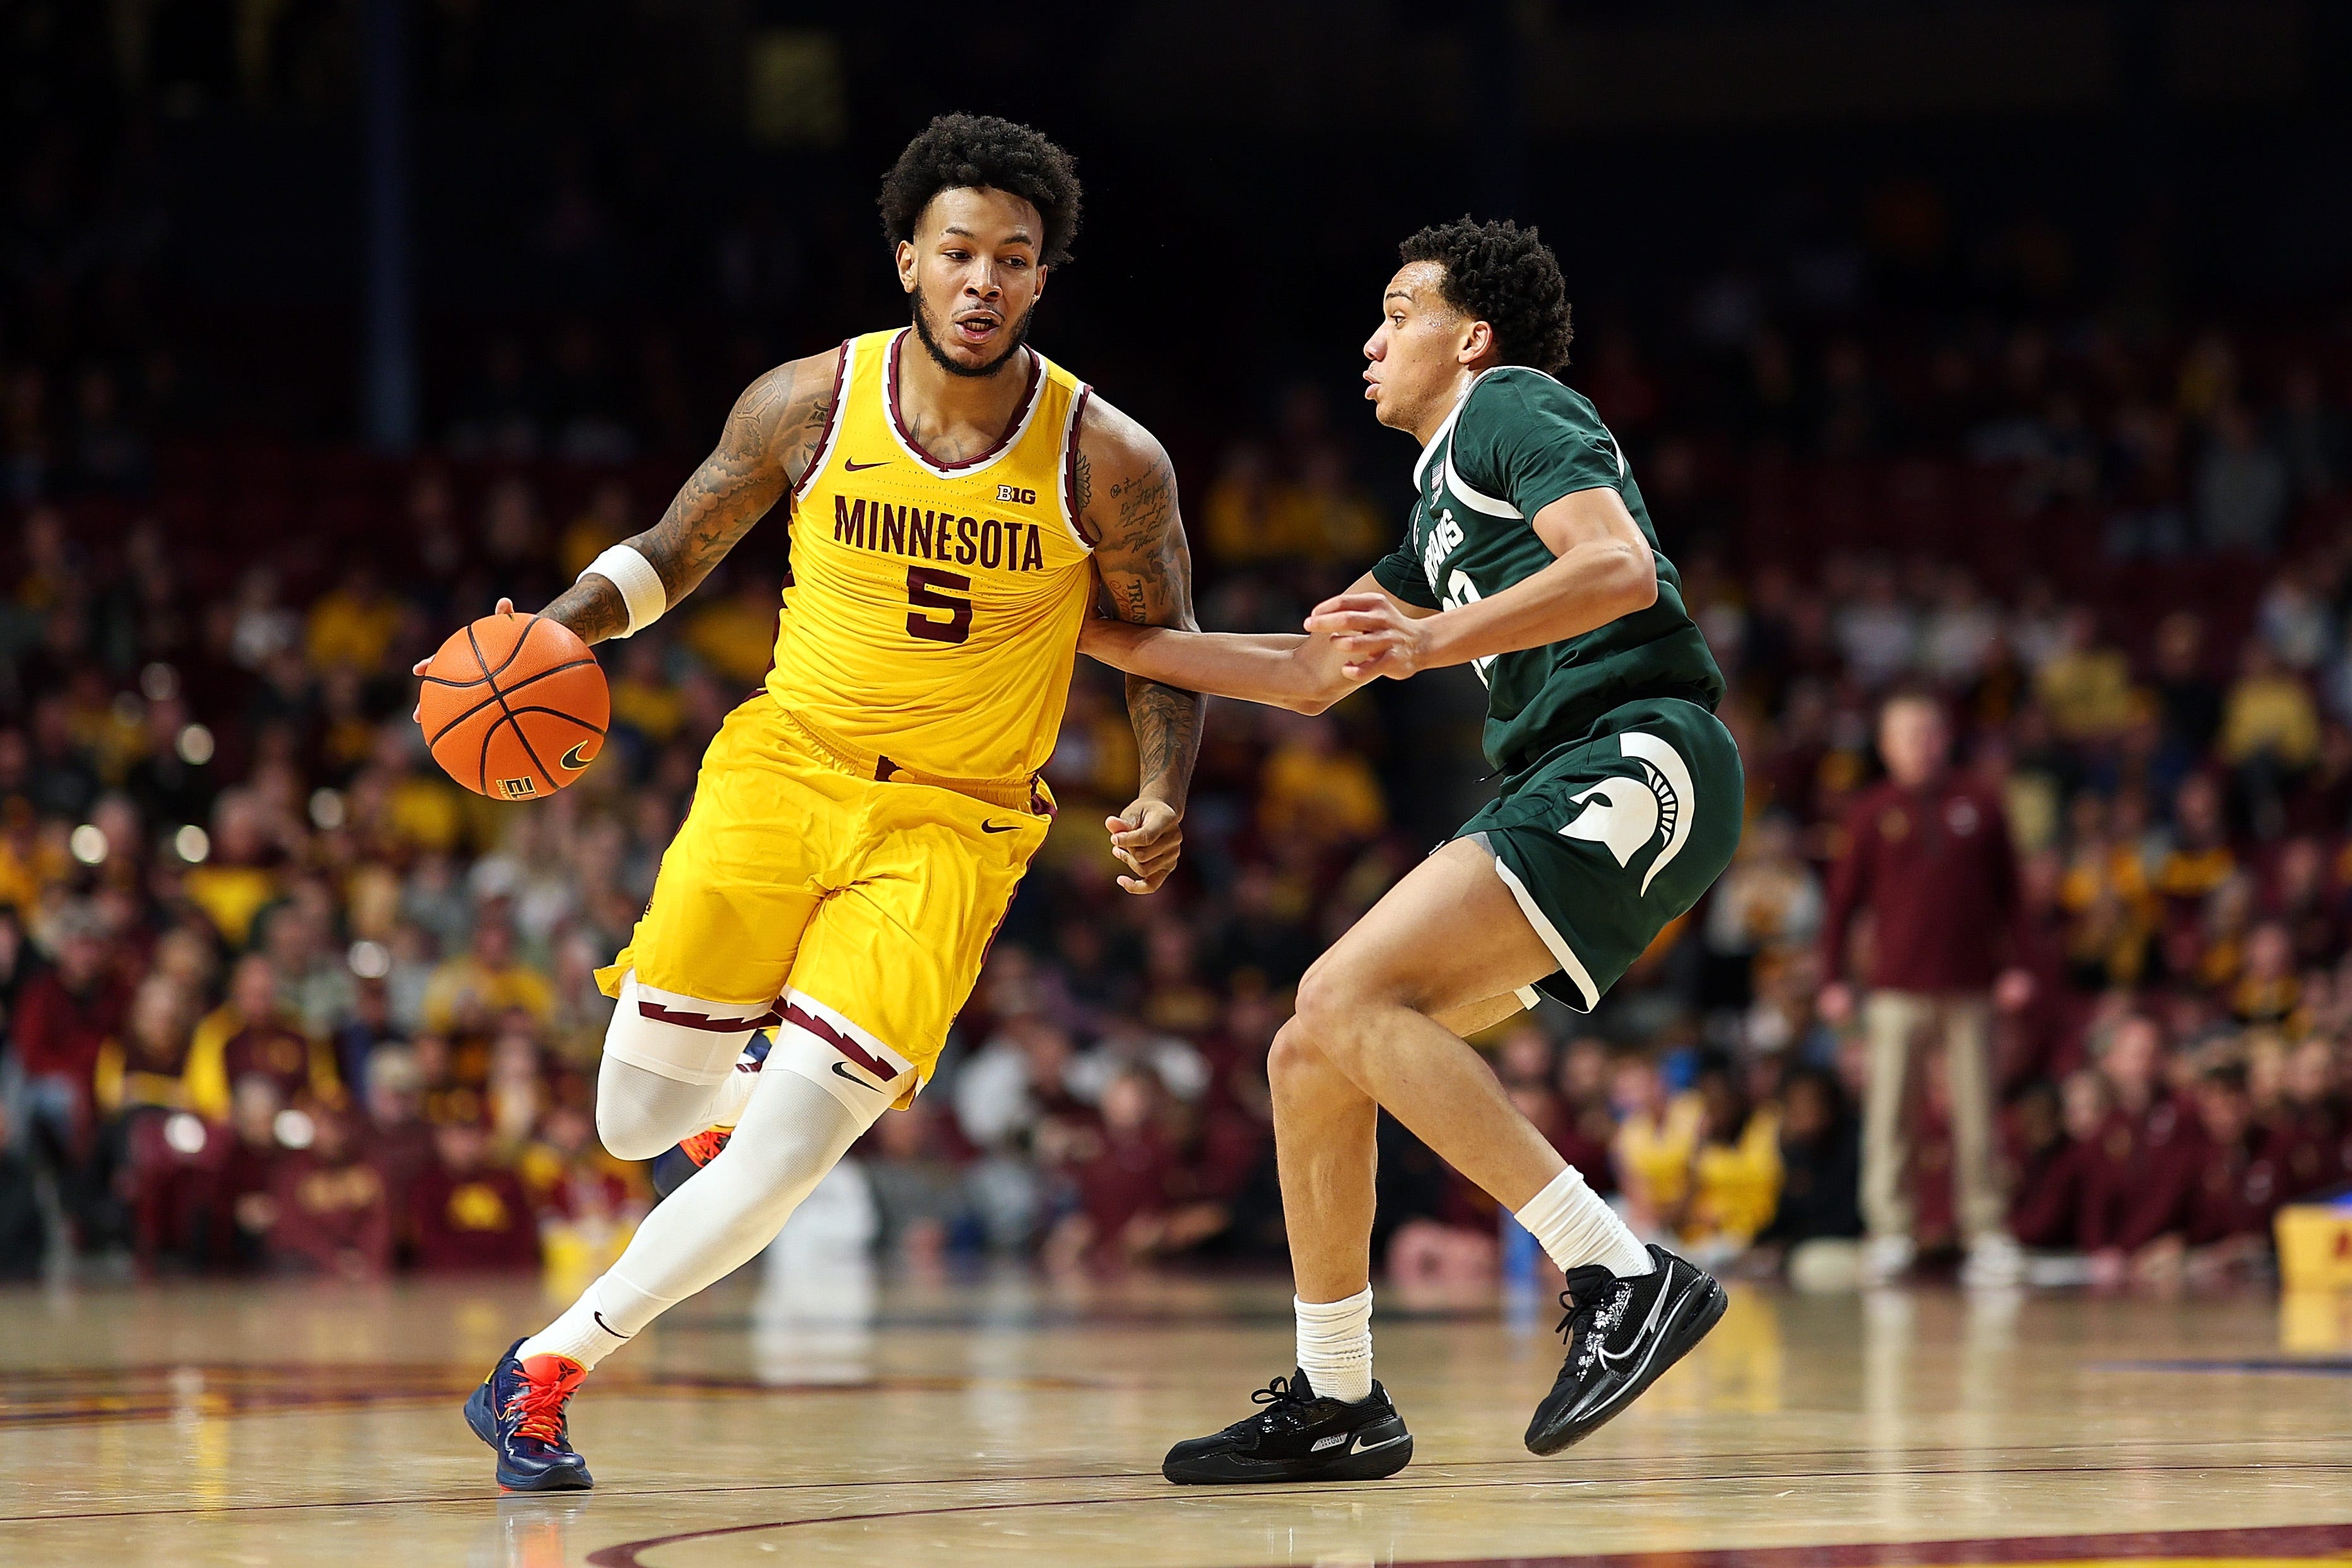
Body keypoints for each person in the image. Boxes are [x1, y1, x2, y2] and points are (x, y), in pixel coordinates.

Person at [433, 114, 1203, 1492]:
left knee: (790, 1157)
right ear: (908, 255)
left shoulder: (1111, 459)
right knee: (627, 1122)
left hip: (956, 826)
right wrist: (555, 630)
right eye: (958, 250)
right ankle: (729, 1093)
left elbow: (1166, 641)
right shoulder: (804, 401)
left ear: (1041, 280)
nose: (983, 281)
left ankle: (541, 1372)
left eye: (1013, 260)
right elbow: (678, 549)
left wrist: (1160, 790)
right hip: (782, 770)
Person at [1082, 219, 1742, 1482]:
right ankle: (1339, 1397)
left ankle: (1619, 1269)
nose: (1371, 338)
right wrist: (1085, 636)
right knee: (1308, 1053)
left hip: (1632, 749)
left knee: (1340, 991)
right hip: (1572, 767)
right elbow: (1305, 671)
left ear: (1471, 335)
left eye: (1400, 311)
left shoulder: (1512, 405)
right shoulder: (1441, 497)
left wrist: (1439, 641)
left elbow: (1617, 569)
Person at [1816, 693, 2034, 1287]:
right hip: (1894, 990)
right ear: (1886, 746)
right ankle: (1891, 1231)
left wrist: (2018, 966)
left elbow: (2011, 895)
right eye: (1907, 734)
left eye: (1929, 732)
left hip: (1972, 985)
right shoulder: (1868, 812)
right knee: (1890, 1113)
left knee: (1977, 1111)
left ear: (1946, 737)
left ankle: (1985, 1230)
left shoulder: (1982, 803)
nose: (1920, 744)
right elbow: (1841, 904)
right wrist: (1832, 977)